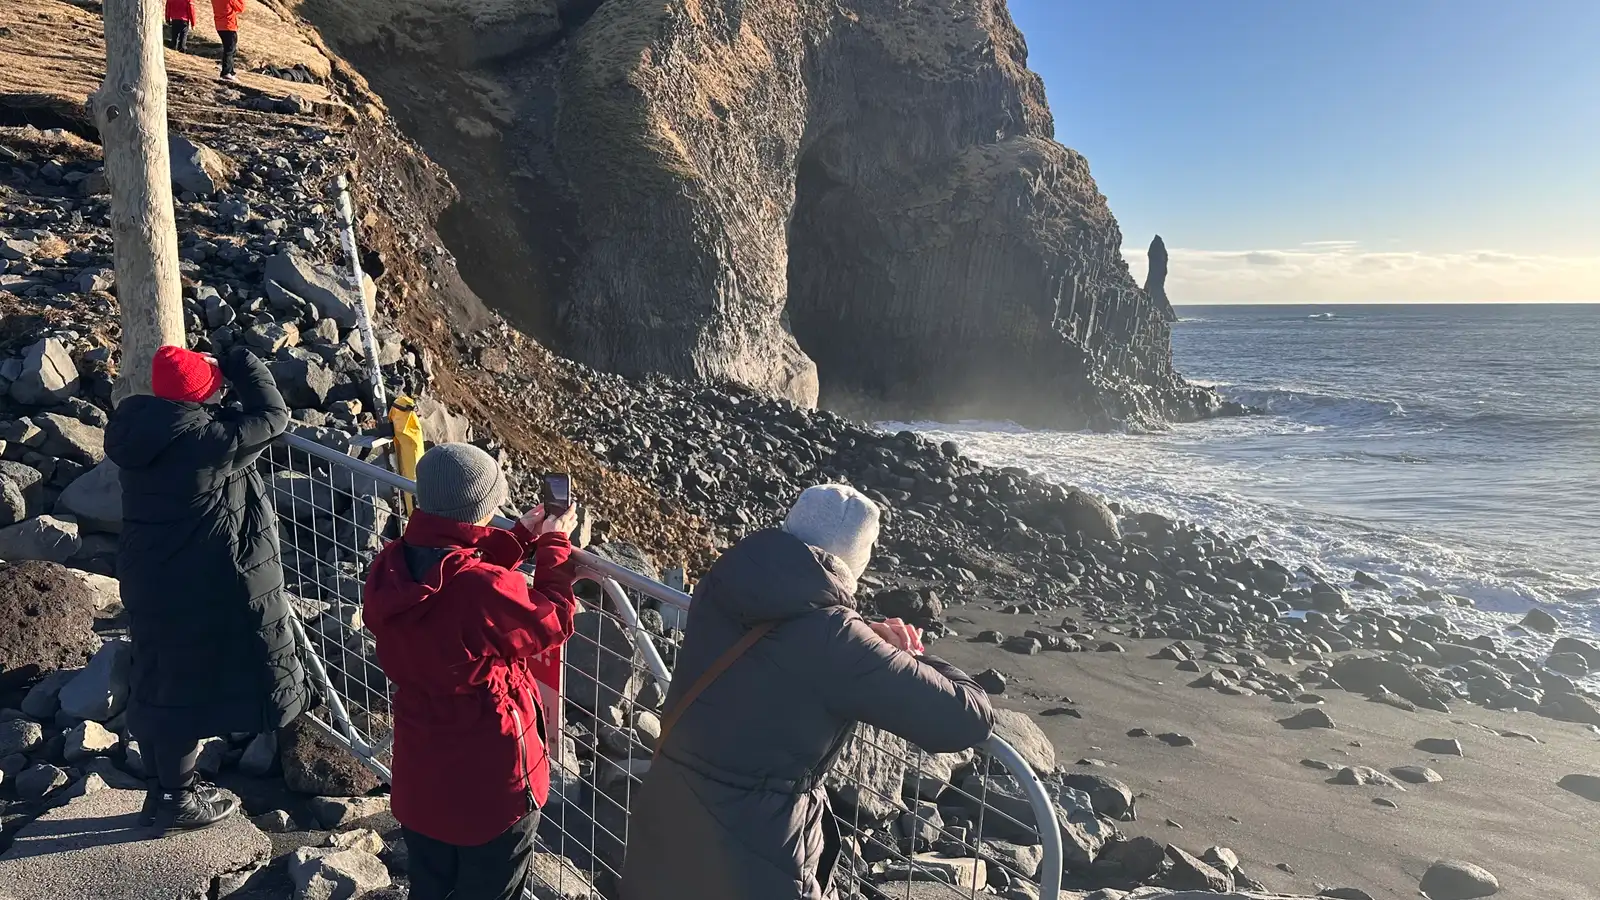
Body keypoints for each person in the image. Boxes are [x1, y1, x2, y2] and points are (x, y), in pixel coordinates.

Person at [620, 485, 996, 900]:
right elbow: (965, 719)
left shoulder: (726, 579)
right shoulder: (835, 637)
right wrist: (914, 657)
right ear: (856, 557)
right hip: (757, 850)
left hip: (669, 808)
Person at [363, 443, 580, 900]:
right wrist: (555, 545)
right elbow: (552, 619)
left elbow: (454, 584)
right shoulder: (480, 591)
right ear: (482, 509)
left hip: (422, 779)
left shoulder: (390, 568)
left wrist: (519, 537)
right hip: (492, 788)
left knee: (431, 886)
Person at [106, 345, 307, 835]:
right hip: (192, 583)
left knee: (159, 675)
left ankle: (163, 791)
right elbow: (272, 415)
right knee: (180, 688)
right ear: (201, 395)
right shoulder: (208, 441)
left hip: (149, 575)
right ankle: (177, 800)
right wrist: (238, 359)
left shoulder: (138, 428)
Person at [211, 0, 245, 80]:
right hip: (229, 25)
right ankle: (226, 72)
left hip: (219, 25)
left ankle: (230, 71)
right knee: (230, 50)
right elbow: (241, 8)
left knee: (228, 49)